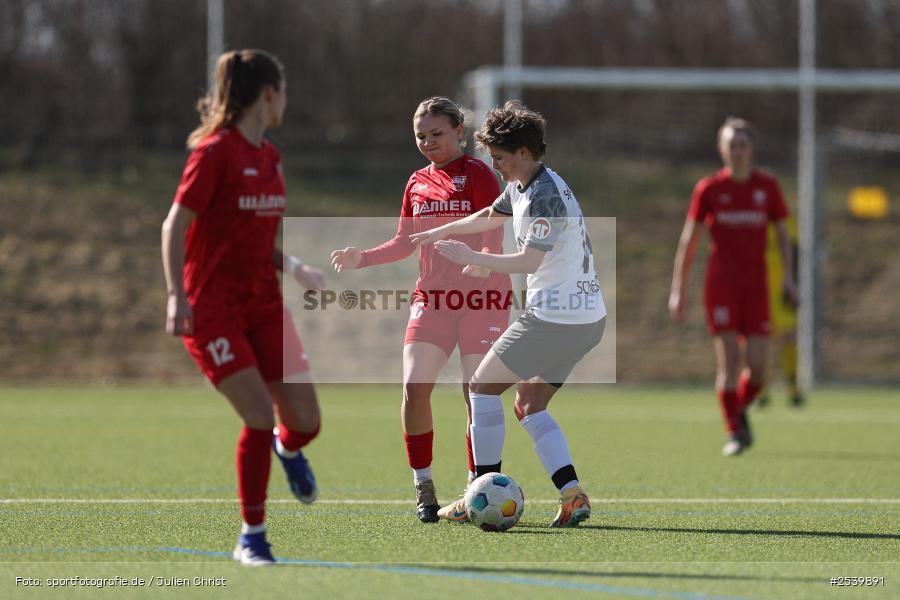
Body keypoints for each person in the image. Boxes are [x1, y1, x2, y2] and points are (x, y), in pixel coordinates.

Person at [161, 49, 325, 565]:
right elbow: (173, 226)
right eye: (285, 90)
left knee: (306, 422)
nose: (286, 100)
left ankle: (288, 447)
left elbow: (256, 239)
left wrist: (294, 267)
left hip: (264, 305)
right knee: (257, 415)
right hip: (214, 310)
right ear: (270, 93)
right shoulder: (214, 153)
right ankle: (251, 537)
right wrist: (177, 297)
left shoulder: (270, 156)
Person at [410, 101, 607, 528]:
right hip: (586, 320)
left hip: (555, 318)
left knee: (480, 388)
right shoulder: (525, 184)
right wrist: (442, 231)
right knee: (530, 404)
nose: (496, 166)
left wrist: (470, 256)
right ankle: (572, 495)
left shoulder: (544, 194)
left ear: (522, 151)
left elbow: (530, 261)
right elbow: (488, 214)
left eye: (499, 158)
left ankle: (477, 491)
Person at [330, 97, 511, 523]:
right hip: (432, 300)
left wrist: (482, 263)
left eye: (437, 133)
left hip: (481, 301)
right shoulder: (416, 182)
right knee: (415, 388)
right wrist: (363, 257)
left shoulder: (479, 175)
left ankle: (475, 486)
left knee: (475, 394)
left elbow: (493, 225)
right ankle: (423, 485)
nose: (428, 141)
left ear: (459, 134)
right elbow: (404, 241)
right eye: (421, 135)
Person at [669, 117, 796, 457]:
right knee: (730, 361)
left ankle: (736, 412)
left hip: (757, 287)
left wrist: (788, 278)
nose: (737, 151)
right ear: (721, 149)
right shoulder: (709, 189)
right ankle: (735, 432)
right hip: (722, 286)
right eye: (731, 144)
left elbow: (783, 237)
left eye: (743, 144)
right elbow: (689, 241)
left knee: (757, 368)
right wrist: (678, 288)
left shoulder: (766, 187)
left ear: (751, 149)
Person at [757, 217, 806, 408]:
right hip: (759, 290)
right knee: (762, 339)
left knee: (789, 337)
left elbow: (796, 256)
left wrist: (793, 284)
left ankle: (793, 389)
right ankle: (761, 390)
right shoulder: (754, 222)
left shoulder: (787, 223)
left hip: (784, 291)